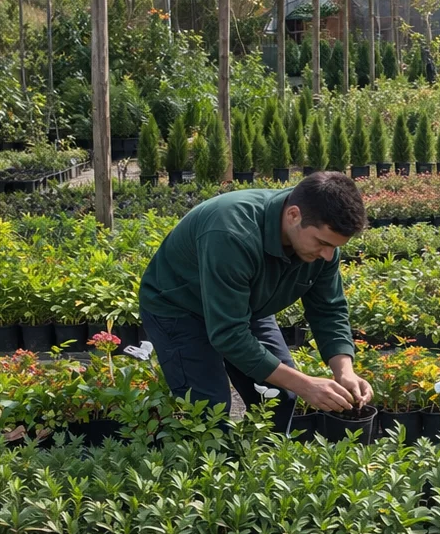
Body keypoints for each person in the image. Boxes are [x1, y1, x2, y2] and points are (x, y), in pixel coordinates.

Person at [138, 171, 373, 430]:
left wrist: (344, 371)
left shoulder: (322, 248)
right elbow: (229, 334)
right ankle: (213, 467)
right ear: (293, 215)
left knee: (279, 396)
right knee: (208, 410)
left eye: (335, 247)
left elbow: (329, 309)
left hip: (245, 306)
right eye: (322, 243)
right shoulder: (232, 232)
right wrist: (305, 383)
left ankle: (261, 466)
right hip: (178, 308)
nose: (328, 255)